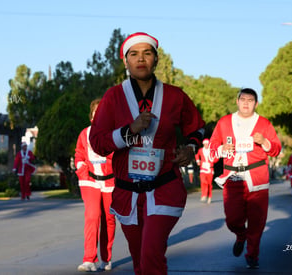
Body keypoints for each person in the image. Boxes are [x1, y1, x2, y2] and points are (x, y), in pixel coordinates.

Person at [89, 32, 205, 275]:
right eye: (134, 54)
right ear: (125, 61)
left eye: (147, 53)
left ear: (156, 59)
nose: (141, 59)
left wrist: (191, 148)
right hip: (127, 193)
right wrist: (129, 131)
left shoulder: (175, 95)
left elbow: (197, 128)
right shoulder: (113, 97)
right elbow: (98, 142)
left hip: (164, 188)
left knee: (151, 254)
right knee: (140, 262)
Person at [208, 88, 281, 269]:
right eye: (243, 99)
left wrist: (264, 141)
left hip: (257, 178)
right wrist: (221, 149)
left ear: (256, 104)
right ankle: (241, 236)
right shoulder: (225, 123)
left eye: (250, 100)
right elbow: (212, 149)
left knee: (257, 220)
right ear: (237, 101)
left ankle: (252, 254)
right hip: (233, 177)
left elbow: (276, 148)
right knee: (232, 219)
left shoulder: (263, 124)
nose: (246, 103)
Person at [74, 99, 116, 272]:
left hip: (110, 181)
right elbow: (79, 154)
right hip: (89, 180)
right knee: (93, 215)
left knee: (109, 218)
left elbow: (120, 156)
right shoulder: (85, 134)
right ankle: (89, 259)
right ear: (91, 116)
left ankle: (106, 258)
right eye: (95, 112)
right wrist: (82, 169)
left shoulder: (114, 134)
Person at [195, 138, 217, 203]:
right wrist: (198, 161)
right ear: (203, 144)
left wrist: (213, 160)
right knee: (203, 181)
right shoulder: (200, 150)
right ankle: (204, 195)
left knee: (209, 184)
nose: (206, 145)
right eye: (205, 144)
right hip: (203, 168)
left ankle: (209, 196)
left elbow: (216, 157)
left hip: (210, 168)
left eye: (207, 144)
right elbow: (197, 155)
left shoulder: (211, 151)